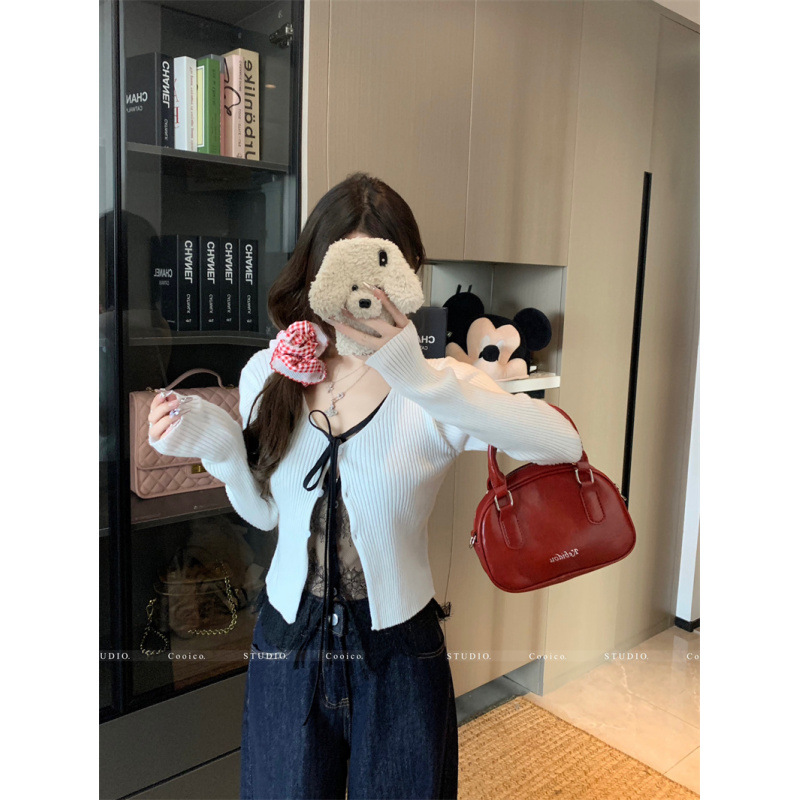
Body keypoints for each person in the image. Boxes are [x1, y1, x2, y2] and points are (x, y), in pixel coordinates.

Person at [147, 172, 583, 800]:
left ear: (407, 276)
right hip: (287, 643)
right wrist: (221, 450)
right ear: (311, 272)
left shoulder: (438, 384)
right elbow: (265, 515)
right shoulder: (271, 372)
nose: (358, 294)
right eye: (340, 269)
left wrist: (419, 379)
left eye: (377, 270)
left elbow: (562, 444)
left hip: (399, 652)